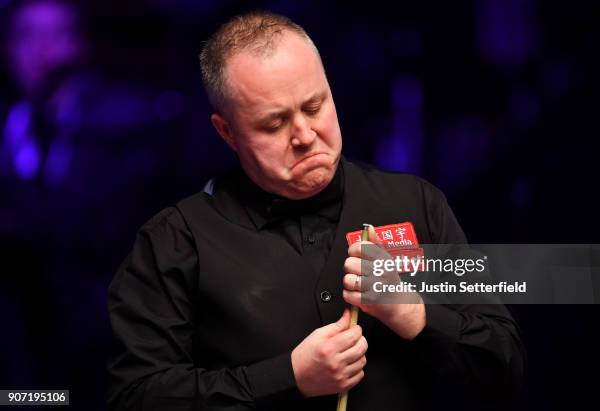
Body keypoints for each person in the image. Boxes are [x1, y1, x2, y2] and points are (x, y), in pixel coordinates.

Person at [107, 11, 524, 411]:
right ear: (227, 131)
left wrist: (411, 312)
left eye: (314, 107)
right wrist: (287, 377)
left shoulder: (415, 204)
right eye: (274, 124)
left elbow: (502, 365)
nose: (305, 135)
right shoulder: (175, 243)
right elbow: (137, 397)